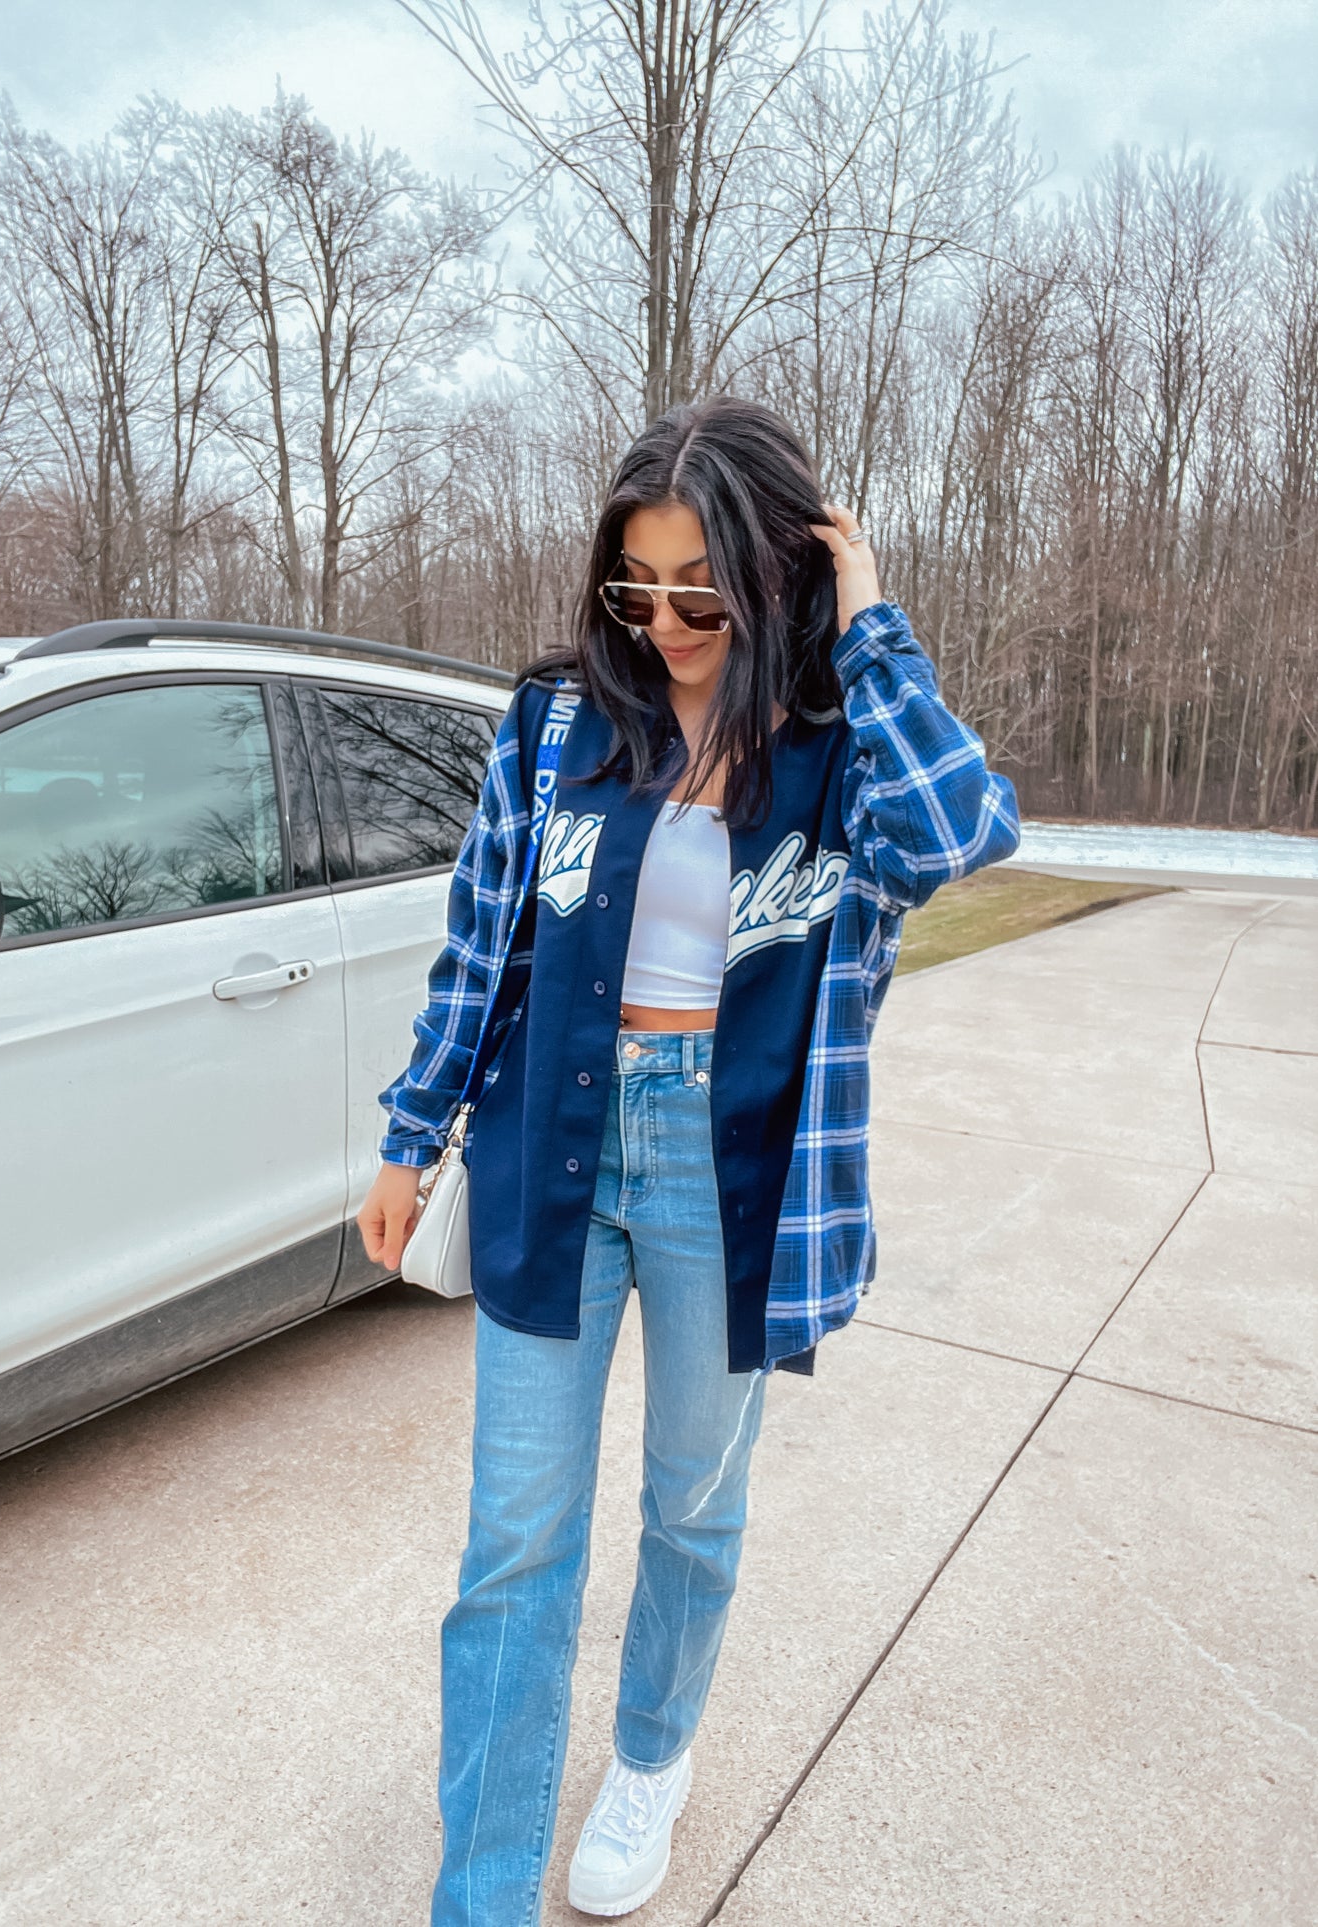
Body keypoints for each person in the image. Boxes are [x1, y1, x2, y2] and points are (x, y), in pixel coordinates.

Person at [357, 394, 1020, 1924]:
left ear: (773, 579)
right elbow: (482, 950)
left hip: (736, 1172)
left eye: (701, 593)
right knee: (515, 1546)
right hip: (554, 1152)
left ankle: (648, 1757)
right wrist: (414, 1131)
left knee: (686, 1510)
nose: (661, 625)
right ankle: (484, 1893)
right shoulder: (553, 727)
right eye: (631, 591)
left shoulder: (847, 751)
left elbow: (962, 832)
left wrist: (868, 620)